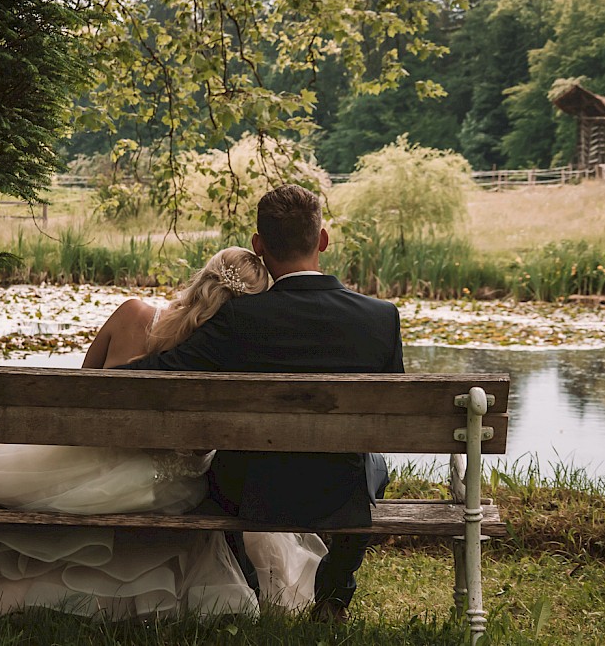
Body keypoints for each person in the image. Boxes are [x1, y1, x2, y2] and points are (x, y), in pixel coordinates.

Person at [0, 246, 328, 620]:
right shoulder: (229, 352)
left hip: (99, 460)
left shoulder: (135, 315)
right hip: (171, 487)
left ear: (199, 280)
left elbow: (76, 397)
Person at [121, 185, 401, 622]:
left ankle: (251, 585)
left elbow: (157, 376)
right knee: (373, 463)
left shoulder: (237, 319)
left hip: (249, 493)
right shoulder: (381, 317)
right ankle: (334, 594)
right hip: (339, 494)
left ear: (258, 245)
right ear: (322, 240)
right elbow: (393, 419)